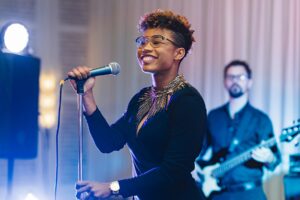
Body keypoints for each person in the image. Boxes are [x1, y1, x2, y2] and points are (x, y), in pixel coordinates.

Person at [68, 9, 207, 200]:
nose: (146, 48)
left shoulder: (188, 101)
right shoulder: (142, 98)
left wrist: (114, 187)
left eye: (156, 42)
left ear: (178, 53)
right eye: (142, 42)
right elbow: (108, 142)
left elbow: (173, 171)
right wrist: (87, 95)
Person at [194, 60, 281, 200]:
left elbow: (275, 161)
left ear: (249, 82)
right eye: (230, 77)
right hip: (216, 193)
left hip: (250, 194)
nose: (235, 81)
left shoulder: (261, 119)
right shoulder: (214, 116)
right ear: (225, 81)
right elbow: (199, 149)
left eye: (240, 77)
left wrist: (269, 158)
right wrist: (193, 166)